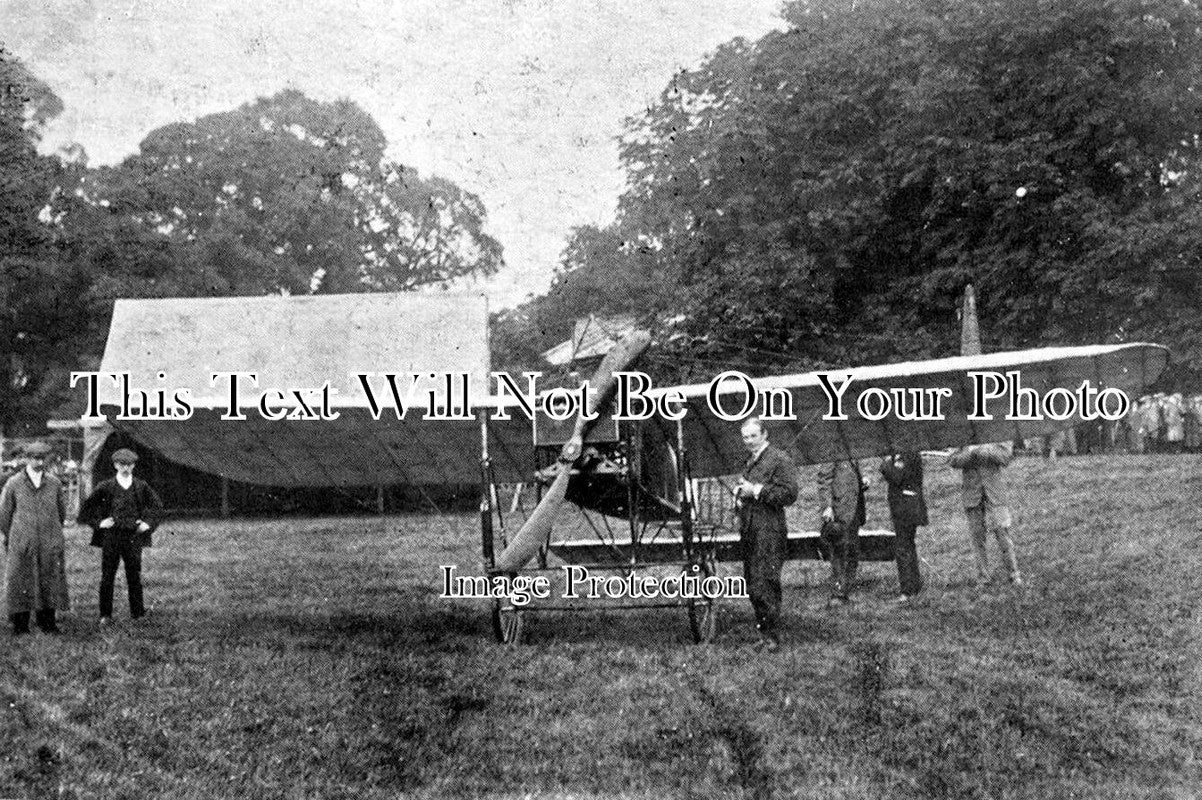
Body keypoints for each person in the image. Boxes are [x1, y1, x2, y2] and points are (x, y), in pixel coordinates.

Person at [734, 418, 799, 651]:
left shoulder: (779, 459)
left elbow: (790, 494)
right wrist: (741, 494)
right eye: (745, 437)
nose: (749, 441)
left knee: (766, 582)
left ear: (764, 434)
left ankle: (772, 638)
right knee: (752, 582)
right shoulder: (752, 461)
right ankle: (764, 634)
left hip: (769, 528)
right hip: (751, 528)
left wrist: (757, 490)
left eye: (753, 436)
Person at [80, 448, 164, 625]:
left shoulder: (141, 486)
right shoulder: (105, 486)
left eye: (129, 464)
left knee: (134, 575)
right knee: (107, 575)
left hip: (133, 537)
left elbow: (157, 507)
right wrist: (99, 523)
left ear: (134, 465)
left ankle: (138, 613)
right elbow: (87, 509)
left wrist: (147, 524)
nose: (125, 468)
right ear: (115, 465)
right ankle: (105, 615)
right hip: (111, 536)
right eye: (122, 464)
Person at [0, 441, 70, 635]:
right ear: (27, 459)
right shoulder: (14, 483)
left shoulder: (54, 483)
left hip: (49, 540)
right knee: (21, 581)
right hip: (22, 540)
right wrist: (13, 536)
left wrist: (52, 531)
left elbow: (61, 513)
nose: (39, 462)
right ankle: (20, 624)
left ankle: (47, 622)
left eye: (42, 459)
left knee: (49, 579)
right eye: (35, 459)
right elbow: (5, 514)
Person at [948, 442, 1021, 586]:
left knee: (1003, 533)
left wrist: (985, 450)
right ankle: (983, 577)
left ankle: (1014, 574)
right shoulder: (961, 431)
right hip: (972, 493)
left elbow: (1005, 457)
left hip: (995, 492)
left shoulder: (994, 429)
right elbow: (952, 459)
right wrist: (970, 452)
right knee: (977, 536)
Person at [880, 451, 928, 602]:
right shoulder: (909, 453)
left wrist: (885, 463)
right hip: (908, 505)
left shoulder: (907, 454)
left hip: (905, 507)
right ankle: (913, 586)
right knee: (908, 545)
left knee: (902, 546)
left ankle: (907, 590)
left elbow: (897, 477)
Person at [818, 458, 866, 606]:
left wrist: (861, 481)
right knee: (839, 552)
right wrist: (827, 506)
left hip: (854, 511)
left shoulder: (852, 451)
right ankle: (837, 594)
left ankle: (846, 590)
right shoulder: (832, 452)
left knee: (852, 551)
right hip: (840, 511)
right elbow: (823, 480)